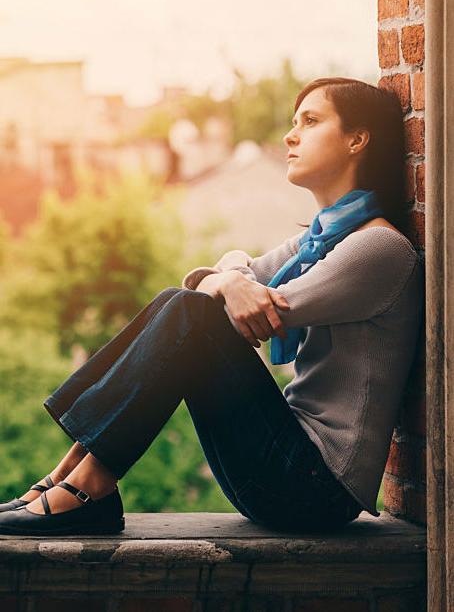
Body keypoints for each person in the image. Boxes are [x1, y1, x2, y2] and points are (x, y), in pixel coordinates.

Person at [0, 77, 424, 536]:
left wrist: (229, 284)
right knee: (182, 305)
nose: (290, 135)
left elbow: (259, 309)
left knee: (189, 314)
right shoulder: (318, 242)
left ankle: (88, 486)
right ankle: (73, 477)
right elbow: (213, 278)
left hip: (317, 487)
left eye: (311, 121)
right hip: (285, 467)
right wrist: (227, 280)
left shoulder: (380, 248)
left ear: (357, 139)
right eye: (293, 122)